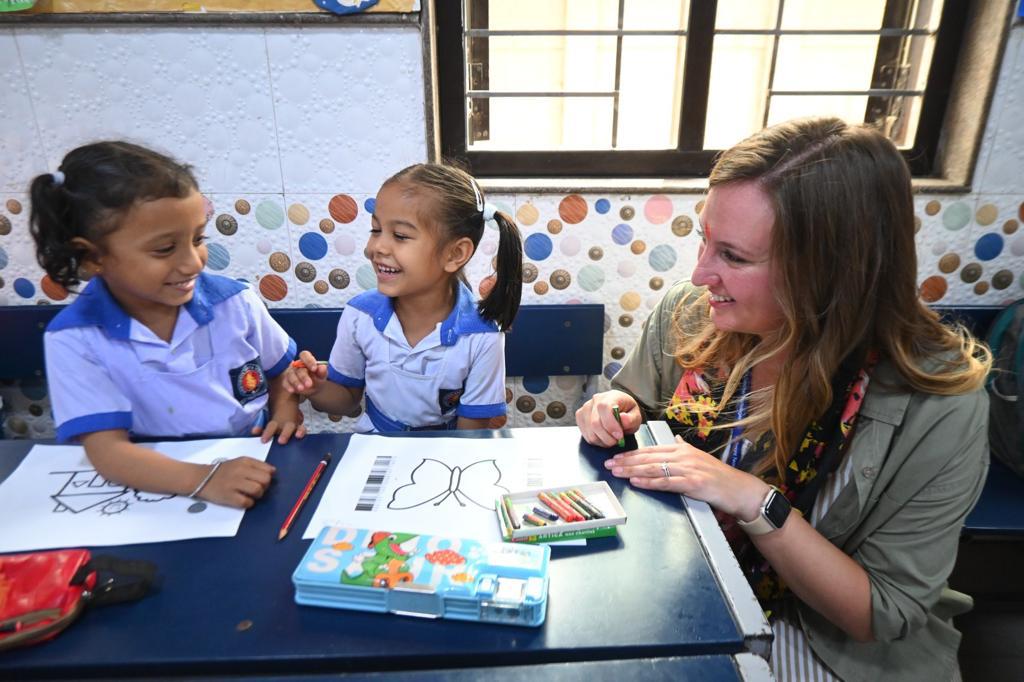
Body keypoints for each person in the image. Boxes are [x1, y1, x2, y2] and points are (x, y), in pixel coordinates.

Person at [576, 117, 991, 682]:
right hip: (679, 587)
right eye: (705, 239)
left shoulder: (937, 405)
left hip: (824, 642)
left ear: (833, 272)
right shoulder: (692, 314)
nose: (701, 274)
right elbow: (639, 409)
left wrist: (754, 502)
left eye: (736, 257)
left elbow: (882, 612)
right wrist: (615, 413)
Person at [31, 141, 304, 509]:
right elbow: (108, 453)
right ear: (93, 257)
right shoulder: (74, 338)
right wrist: (204, 479)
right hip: (153, 482)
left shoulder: (235, 303)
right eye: (164, 249)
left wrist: (286, 411)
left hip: (253, 460)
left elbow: (284, 373)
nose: (193, 263)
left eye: (198, 238)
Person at [283, 163, 523, 432]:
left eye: (400, 235)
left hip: (444, 453)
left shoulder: (482, 335)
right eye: (376, 230)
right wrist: (315, 387)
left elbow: (470, 433)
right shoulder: (359, 315)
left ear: (455, 254)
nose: (375, 247)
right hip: (373, 446)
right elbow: (347, 402)